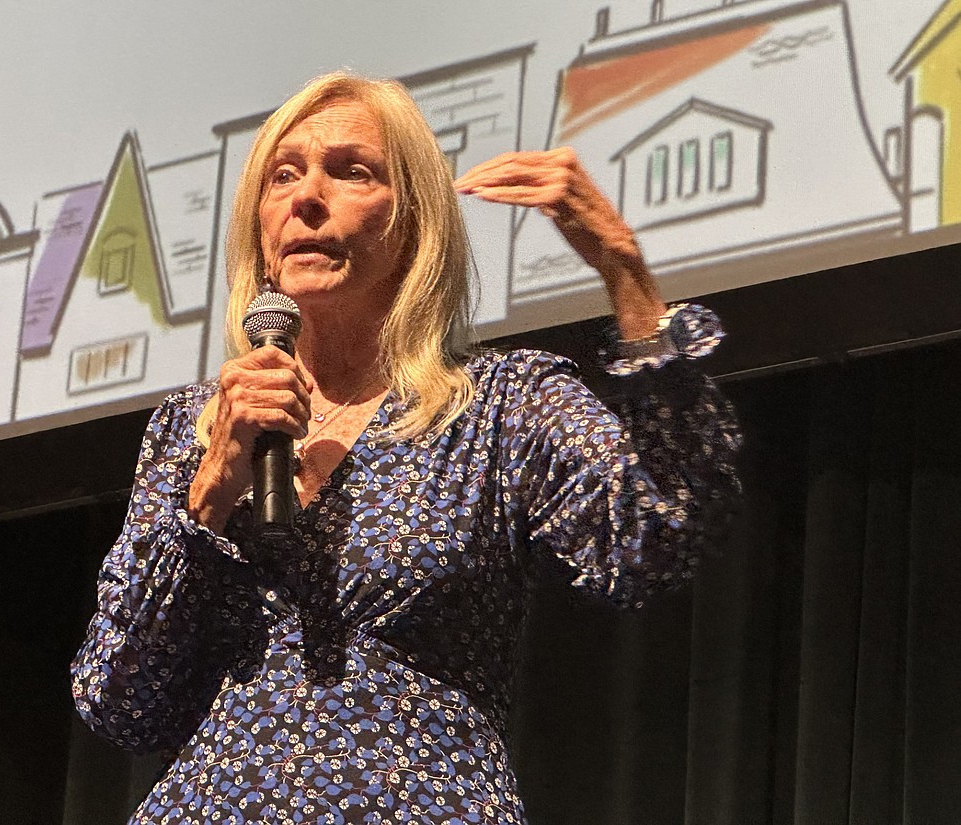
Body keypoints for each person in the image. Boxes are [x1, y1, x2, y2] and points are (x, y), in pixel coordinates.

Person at [71, 71, 740, 825]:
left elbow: (659, 534)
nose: (306, 197)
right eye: (283, 174)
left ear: (414, 225)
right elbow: (118, 697)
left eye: (350, 171)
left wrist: (626, 274)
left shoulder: (498, 405)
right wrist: (215, 483)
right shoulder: (194, 428)